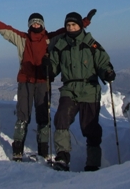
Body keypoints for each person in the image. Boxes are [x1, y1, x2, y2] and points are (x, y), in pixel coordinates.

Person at [0, 7, 95, 161]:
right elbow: (4, 29)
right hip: (25, 80)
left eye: (39, 23)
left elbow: (69, 30)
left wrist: (85, 21)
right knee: (23, 115)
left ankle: (43, 150)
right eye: (33, 23)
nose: (36, 25)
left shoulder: (51, 38)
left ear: (43, 25)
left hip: (43, 81)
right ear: (30, 25)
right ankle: (17, 149)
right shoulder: (22, 38)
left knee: (43, 116)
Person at [47, 11, 115, 172]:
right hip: (69, 89)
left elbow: (103, 62)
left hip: (89, 89)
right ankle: (62, 157)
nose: (70, 28)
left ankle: (93, 163)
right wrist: (48, 68)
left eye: (74, 25)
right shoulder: (61, 46)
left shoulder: (91, 44)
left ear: (80, 26)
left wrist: (107, 72)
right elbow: (54, 67)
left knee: (89, 127)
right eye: (68, 25)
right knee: (61, 118)